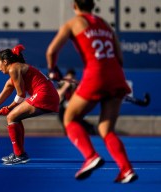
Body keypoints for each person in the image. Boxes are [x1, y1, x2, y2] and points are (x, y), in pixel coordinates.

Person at [46, 0, 137, 183]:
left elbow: (51, 51)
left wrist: (53, 69)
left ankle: (90, 156)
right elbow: (119, 57)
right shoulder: (105, 24)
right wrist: (113, 81)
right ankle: (126, 169)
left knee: (69, 118)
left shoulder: (73, 23)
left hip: (96, 73)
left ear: (74, 5)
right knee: (106, 129)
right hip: (116, 74)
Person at [0, 44, 59, 165]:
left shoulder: (14, 68)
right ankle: (19, 153)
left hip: (45, 94)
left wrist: (9, 108)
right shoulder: (12, 78)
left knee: (11, 116)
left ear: (5, 62)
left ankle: (20, 155)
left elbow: (21, 95)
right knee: (15, 117)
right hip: (48, 95)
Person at [56, 68, 96, 135]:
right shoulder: (62, 84)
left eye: (71, 77)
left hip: (74, 107)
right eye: (68, 77)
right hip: (64, 108)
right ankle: (68, 131)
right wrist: (66, 86)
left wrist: (76, 86)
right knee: (62, 115)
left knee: (76, 119)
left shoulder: (77, 84)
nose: (70, 79)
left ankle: (89, 127)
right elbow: (58, 95)